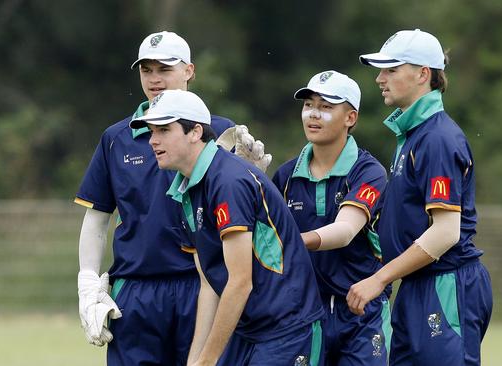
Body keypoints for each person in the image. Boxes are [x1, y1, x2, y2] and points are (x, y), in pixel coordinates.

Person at [74, 31, 268, 365]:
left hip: (202, 287)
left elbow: (248, 211)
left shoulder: (217, 131)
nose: (154, 79)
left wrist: (254, 172)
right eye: (146, 70)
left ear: (189, 71)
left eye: (164, 69)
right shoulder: (116, 138)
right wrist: (88, 282)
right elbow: (97, 218)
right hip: (136, 290)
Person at [129, 89, 325, 366]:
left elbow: (240, 283)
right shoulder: (184, 188)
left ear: (195, 132)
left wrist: (207, 360)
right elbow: (210, 284)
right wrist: (195, 359)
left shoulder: (228, 181)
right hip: (248, 332)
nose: (152, 141)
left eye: (163, 130)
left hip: (288, 329)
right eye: (151, 131)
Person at [346, 29, 493, 365]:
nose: (379, 79)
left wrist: (379, 279)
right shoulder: (413, 135)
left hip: (445, 286)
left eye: (391, 69)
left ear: (423, 74)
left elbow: (445, 232)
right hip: (416, 286)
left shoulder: (437, 138)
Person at [272, 70, 391, 365]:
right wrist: (248, 177)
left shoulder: (368, 171)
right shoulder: (285, 176)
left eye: (326, 107)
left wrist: (294, 241)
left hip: (362, 312)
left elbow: (345, 230)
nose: (313, 114)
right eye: (309, 105)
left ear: (350, 118)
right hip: (305, 312)